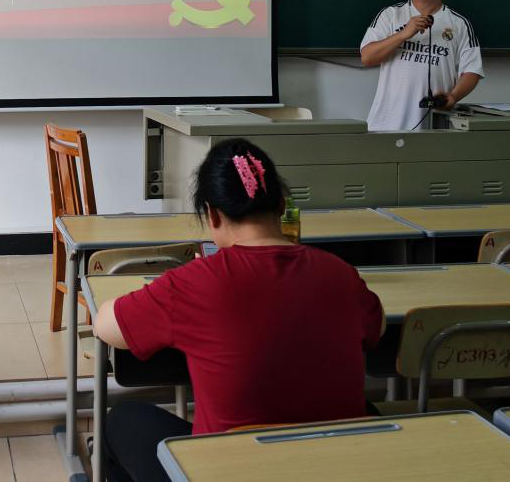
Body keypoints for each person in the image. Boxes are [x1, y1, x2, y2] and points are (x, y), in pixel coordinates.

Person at [93, 138, 385, 482]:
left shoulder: (194, 282)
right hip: (335, 468)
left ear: (212, 215)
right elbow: (377, 327)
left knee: (121, 421)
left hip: (227, 470)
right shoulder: (340, 273)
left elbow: (106, 326)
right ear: (281, 204)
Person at [360, 0, 484, 132]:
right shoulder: (390, 15)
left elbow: (472, 70)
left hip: (436, 124)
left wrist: (453, 96)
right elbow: (367, 57)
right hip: (386, 123)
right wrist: (403, 34)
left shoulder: (459, 24)